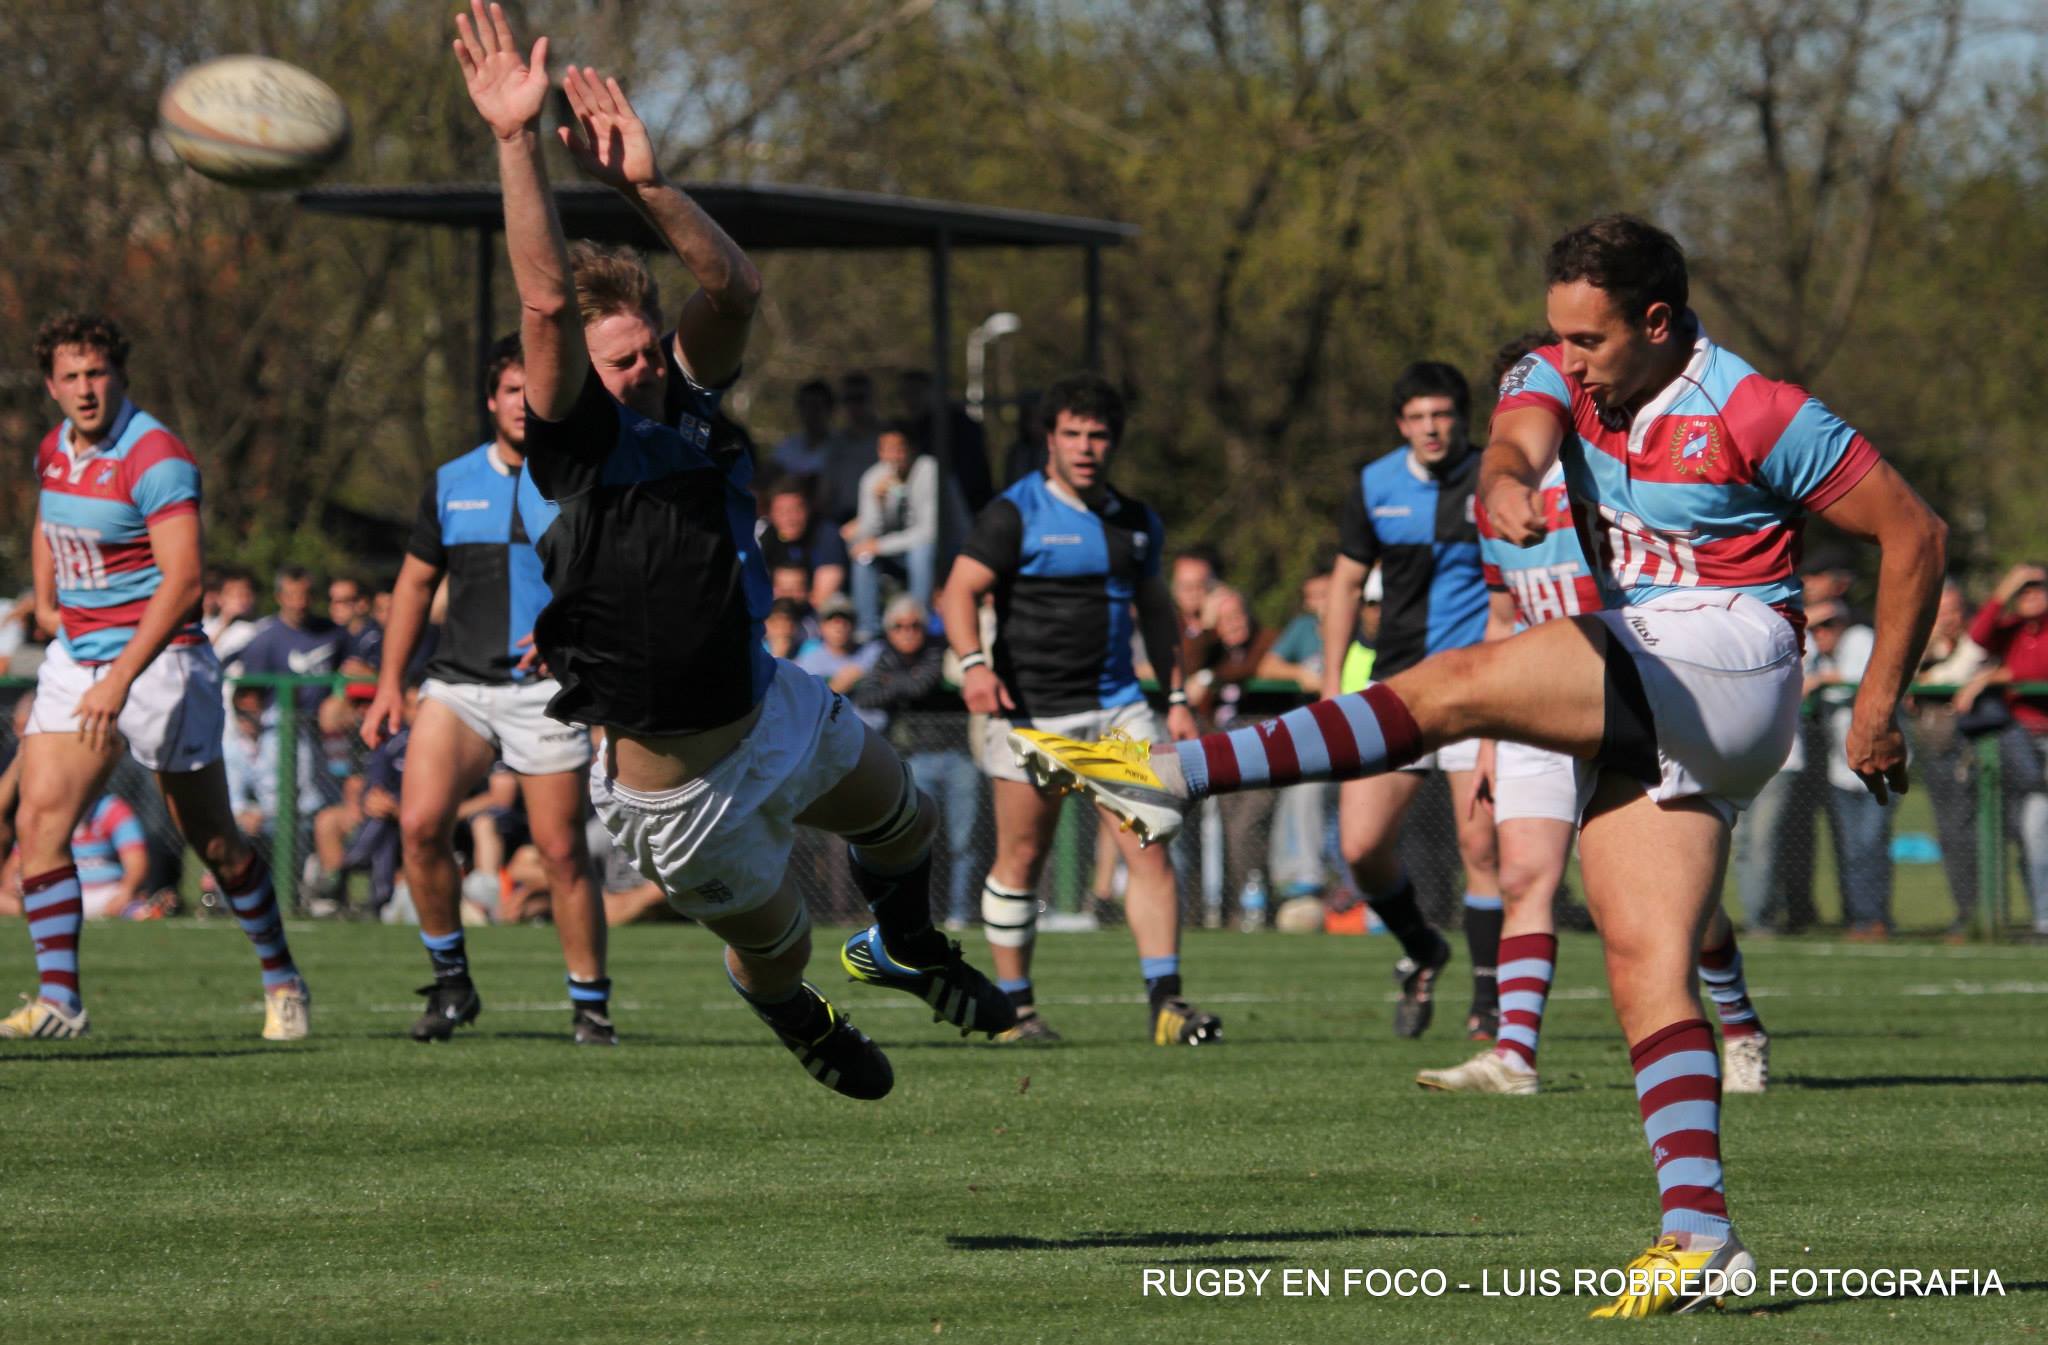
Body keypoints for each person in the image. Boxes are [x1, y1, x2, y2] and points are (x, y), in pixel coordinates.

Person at [1013, 215, 1946, 1313]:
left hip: (1732, 657)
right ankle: (1699, 1229)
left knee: (1452, 682)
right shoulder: (1563, 367)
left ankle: (1172, 775)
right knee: (1645, 965)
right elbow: (1518, 431)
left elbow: (1913, 533)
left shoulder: (1750, 406)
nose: (1566, 356)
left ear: (1655, 323)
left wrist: (1875, 705)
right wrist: (1504, 476)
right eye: (1556, 334)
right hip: (1654, 672)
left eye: (1588, 338)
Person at [451, 1, 1011, 1096]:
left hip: (768, 702)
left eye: (642, 350)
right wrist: (516, 142)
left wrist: (643, 186)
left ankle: (902, 947)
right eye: (615, 361)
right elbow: (542, 301)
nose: (639, 370)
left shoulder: (693, 398)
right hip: (674, 788)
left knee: (908, 816)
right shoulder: (573, 442)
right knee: (776, 947)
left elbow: (735, 289)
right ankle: (798, 1015)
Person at [1418, 328, 1770, 1095]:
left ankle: (1739, 1023)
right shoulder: (1496, 494)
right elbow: (1501, 617)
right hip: (1531, 704)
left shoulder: (1609, 481)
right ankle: (1514, 1054)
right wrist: (1484, 735)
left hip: (1624, 694)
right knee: (1523, 875)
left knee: (1684, 909)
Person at [4, 312, 311, 1041]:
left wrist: (120, 679)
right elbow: (50, 516)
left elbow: (183, 584)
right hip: (78, 657)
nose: (85, 388)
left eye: (97, 372)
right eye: (71, 376)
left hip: (162, 662)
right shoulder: (54, 448)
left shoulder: (157, 454)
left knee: (210, 837)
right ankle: (60, 1001)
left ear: (121, 375)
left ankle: (282, 977)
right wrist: (46, 596)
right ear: (51, 384)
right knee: (38, 821)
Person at [939, 370, 1217, 1046]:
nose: (1086, 446)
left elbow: (1157, 611)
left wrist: (1176, 697)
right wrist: (975, 668)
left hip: (1119, 710)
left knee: (1150, 841)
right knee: (1023, 857)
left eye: (1098, 435)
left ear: (1113, 442)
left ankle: (1166, 1004)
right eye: (1073, 433)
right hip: (1033, 717)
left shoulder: (1135, 519)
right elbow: (957, 592)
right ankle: (1017, 1008)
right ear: (1050, 439)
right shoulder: (1014, 512)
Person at [362, 333, 612, 1044]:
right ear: (491, 399)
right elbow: (413, 583)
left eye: (533, 391)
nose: (521, 403)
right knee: (418, 823)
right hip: (458, 685)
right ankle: (451, 986)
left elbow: (610, 581)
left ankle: (590, 1004)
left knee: (563, 849)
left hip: (546, 691)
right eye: (509, 389)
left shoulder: (580, 478)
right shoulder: (450, 480)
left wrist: (579, 647)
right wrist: (388, 684)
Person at [1318, 360, 1504, 1039]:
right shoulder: (1374, 484)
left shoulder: (1496, 479)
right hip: (1395, 692)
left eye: (1443, 414)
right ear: (1401, 424)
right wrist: (1331, 684)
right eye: (1418, 417)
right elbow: (1344, 584)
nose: (1432, 428)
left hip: (1478, 688)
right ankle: (1424, 948)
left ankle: (1488, 1002)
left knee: (1481, 841)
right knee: (1362, 846)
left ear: (1462, 418)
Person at [850, 596, 981, 928]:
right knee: (916, 840)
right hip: (915, 759)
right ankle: (921, 912)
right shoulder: (885, 656)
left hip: (957, 757)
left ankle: (960, 912)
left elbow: (924, 683)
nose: (907, 633)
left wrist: (892, 685)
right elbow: (864, 695)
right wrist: (898, 686)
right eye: (899, 627)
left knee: (963, 842)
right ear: (889, 631)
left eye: (914, 625)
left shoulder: (938, 649)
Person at [1964, 562, 2048, 935]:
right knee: (2035, 832)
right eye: (2024, 590)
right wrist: (2002, 591)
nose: (2030, 595)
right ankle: (2044, 918)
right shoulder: (2012, 629)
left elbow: (2039, 670)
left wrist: (1995, 676)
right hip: (2026, 742)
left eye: (2037, 588)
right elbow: (1978, 636)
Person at [1805, 599, 1892, 937]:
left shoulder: (1859, 639)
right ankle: (1861, 918)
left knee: (1871, 844)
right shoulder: (1819, 655)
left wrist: (1821, 681)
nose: (1822, 634)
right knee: (1852, 849)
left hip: (1878, 769)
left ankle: (1878, 916)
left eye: (1828, 626)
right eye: (1816, 629)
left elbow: (1865, 678)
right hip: (1841, 770)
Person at [846, 420, 940, 640]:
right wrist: (878, 503)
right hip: (893, 552)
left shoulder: (929, 470)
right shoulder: (872, 478)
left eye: (899, 449)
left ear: (911, 449)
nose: (893, 456)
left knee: (921, 552)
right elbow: (868, 533)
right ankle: (867, 632)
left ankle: (918, 623)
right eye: (886, 449)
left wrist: (879, 545)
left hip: (931, 551)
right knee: (863, 556)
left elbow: (928, 532)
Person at [234, 568, 350, 716]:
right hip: (280, 727)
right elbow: (249, 695)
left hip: (328, 729)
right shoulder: (264, 639)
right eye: (292, 596)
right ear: (279, 597)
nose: (299, 603)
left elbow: (350, 672)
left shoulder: (335, 634)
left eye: (305, 595)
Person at [756, 480, 847, 611]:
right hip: (776, 617)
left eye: (796, 510)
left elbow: (823, 599)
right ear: (770, 514)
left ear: (809, 509)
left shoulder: (827, 534)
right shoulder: (767, 537)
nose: (789, 519)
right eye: (781, 511)